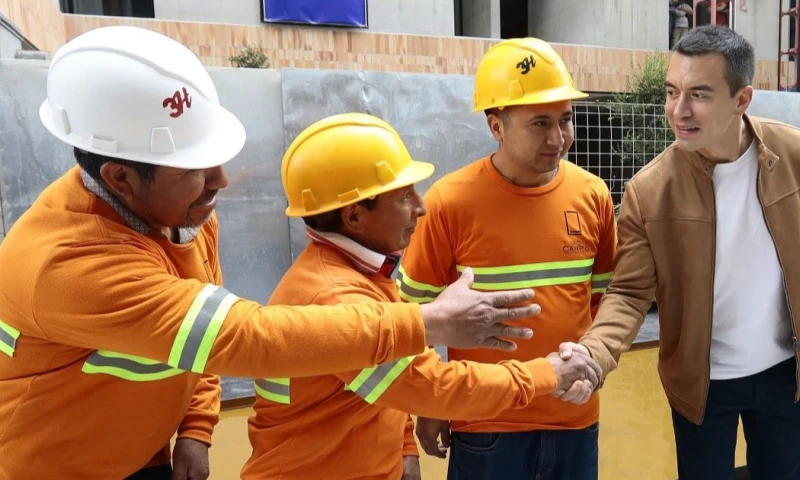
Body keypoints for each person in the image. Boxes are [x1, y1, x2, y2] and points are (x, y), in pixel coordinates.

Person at [0, 26, 542, 480]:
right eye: (196, 169)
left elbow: (204, 333)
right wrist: (430, 324)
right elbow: (242, 338)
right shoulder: (67, 264)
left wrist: (195, 426)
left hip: (143, 457)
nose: (221, 180)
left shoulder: (179, 217)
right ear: (121, 177)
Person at [240, 113, 603, 480]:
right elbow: (431, 386)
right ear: (353, 217)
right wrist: (547, 373)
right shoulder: (335, 296)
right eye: (404, 196)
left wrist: (403, 449)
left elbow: (387, 382)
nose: (421, 206)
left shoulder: (360, 273)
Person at [559, 25, 800, 480]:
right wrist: (594, 354)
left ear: (742, 99)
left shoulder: (791, 155)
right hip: (700, 384)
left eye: (700, 94)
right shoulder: (649, 192)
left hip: (785, 376)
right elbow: (629, 294)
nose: (679, 110)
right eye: (673, 92)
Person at [398, 37, 617, 480]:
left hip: (575, 422)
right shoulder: (448, 203)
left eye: (565, 120)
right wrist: (429, 403)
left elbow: (605, 306)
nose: (558, 139)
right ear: (496, 126)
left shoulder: (593, 195)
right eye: (540, 123)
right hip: (486, 426)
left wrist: (595, 367)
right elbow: (409, 322)